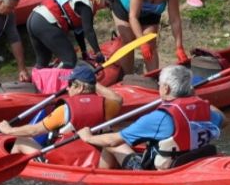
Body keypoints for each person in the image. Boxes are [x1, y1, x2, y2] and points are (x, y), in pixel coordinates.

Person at [78, 65, 222, 170]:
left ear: (166, 89)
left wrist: (88, 137)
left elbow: (112, 141)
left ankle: (101, 181)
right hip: (194, 161)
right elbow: (222, 119)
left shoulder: (159, 118)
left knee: (111, 144)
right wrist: (197, 99)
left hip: (163, 169)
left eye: (159, 85)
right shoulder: (202, 109)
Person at [0, 63, 123, 152]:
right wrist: (94, 84)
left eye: (70, 84)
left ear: (80, 87)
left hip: (64, 159)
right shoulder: (107, 105)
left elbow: (35, 130)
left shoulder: (65, 110)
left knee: (20, 141)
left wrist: (9, 130)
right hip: (93, 156)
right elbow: (118, 99)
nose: (67, 88)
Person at [112, 0, 185, 74]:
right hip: (124, 6)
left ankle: (154, 78)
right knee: (128, 40)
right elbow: (133, 17)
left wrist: (179, 47)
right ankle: (127, 76)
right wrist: (141, 42)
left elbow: (175, 20)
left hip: (149, 11)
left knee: (150, 43)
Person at [26, 0, 115, 68]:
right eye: (106, 4)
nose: (104, 8)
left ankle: (37, 79)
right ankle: (63, 82)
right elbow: (89, 31)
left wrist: (84, 52)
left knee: (43, 59)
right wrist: (98, 53)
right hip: (46, 20)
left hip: (34, 17)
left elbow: (79, 31)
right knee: (70, 60)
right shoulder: (86, 3)